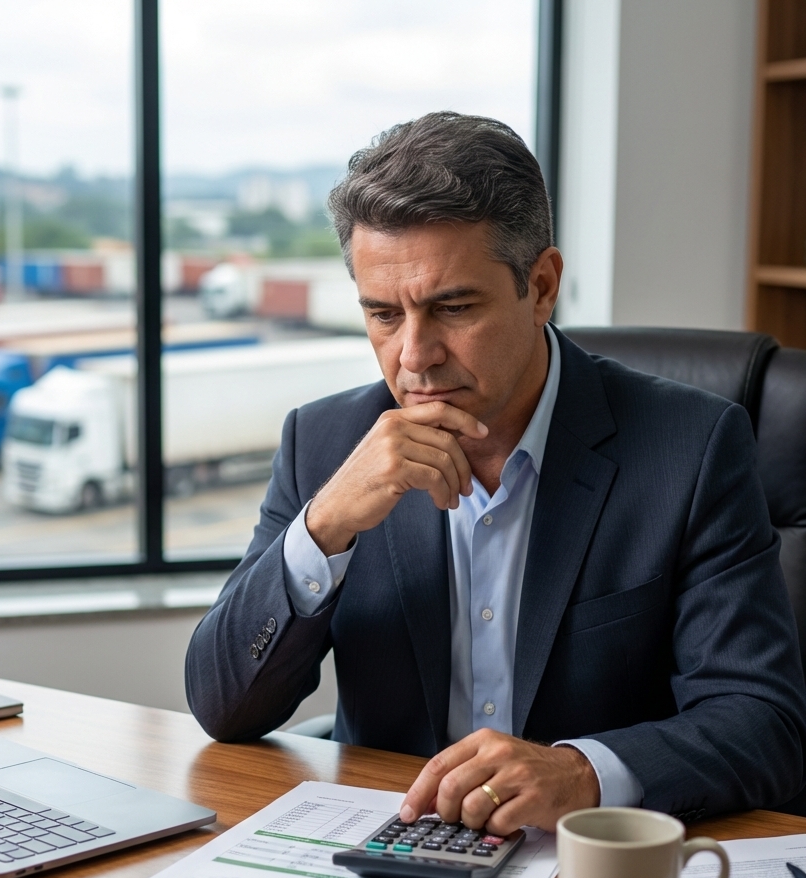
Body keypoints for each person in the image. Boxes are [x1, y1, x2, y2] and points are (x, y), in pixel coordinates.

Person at [185, 112, 806, 834]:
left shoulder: (690, 448)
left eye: (451, 308)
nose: (414, 356)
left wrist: (581, 772)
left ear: (541, 286)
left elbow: (763, 726)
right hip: (388, 862)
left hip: (588, 867)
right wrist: (324, 527)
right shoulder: (323, 443)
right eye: (383, 314)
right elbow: (223, 705)